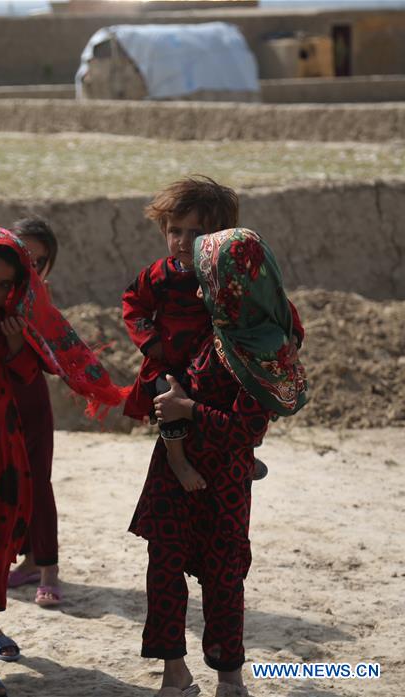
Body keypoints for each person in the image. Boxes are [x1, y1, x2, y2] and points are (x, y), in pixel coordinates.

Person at [0, 226, 128, 697]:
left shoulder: (6, 326)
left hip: (6, 457)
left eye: (1, 285)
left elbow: (26, 380)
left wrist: (15, 349)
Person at [129, 228, 308, 697]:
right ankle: (175, 675)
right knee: (163, 570)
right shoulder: (208, 330)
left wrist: (189, 410)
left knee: (224, 579)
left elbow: (245, 431)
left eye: (210, 278)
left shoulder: (266, 347)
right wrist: (177, 430)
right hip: (173, 469)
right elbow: (165, 382)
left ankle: (229, 678)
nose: (201, 288)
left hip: (224, 482)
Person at [122, 176, 250, 491]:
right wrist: (151, 343)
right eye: (175, 231)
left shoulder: (229, 274)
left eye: (195, 233)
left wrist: (290, 336)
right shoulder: (159, 275)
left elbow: (273, 306)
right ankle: (178, 461)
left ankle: (245, 451)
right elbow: (133, 305)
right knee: (167, 394)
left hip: (217, 366)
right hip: (170, 363)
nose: (182, 241)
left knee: (246, 394)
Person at [5, 217, 63, 607]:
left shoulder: (38, 302)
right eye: (22, 256)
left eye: (39, 261)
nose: (31, 267)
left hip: (30, 401)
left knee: (38, 483)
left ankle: (48, 571)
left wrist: (15, 345)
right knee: (8, 482)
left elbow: (49, 359)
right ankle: (27, 560)